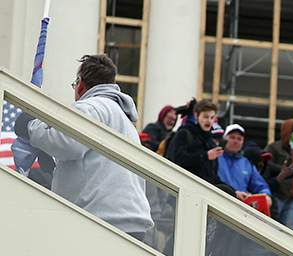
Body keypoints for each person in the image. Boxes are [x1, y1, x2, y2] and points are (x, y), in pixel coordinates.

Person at [14, 53, 154, 241]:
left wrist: (31, 127)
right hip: (127, 220)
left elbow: (66, 142)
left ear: (80, 83)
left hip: (102, 220)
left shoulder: (92, 106)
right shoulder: (123, 120)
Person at [165, 98, 221, 184]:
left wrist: (235, 192)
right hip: (183, 186)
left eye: (212, 117)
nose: (209, 120)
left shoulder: (211, 144)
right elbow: (178, 159)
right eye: (205, 116)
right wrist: (205, 156)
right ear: (196, 116)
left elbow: (213, 177)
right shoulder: (184, 133)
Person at [216, 124, 272, 205]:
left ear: (243, 142)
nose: (236, 141)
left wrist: (266, 195)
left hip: (241, 207)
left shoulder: (247, 163)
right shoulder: (215, 157)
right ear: (224, 139)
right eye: (232, 137)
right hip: (217, 200)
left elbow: (261, 186)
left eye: (239, 139)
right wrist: (234, 193)